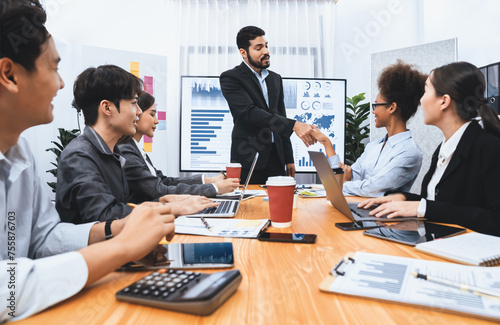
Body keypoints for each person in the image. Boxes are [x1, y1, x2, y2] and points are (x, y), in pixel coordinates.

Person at [0, 1, 178, 321]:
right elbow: (6, 291)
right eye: (54, 68)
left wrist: (118, 229)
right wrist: (121, 247)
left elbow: (44, 239)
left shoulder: (20, 152)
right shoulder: (79, 154)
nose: (61, 83)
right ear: (9, 75)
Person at [56, 65, 218, 224]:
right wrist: (170, 207)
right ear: (107, 107)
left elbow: (121, 206)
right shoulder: (80, 155)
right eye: (134, 103)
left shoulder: (113, 152)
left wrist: (162, 199)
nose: (139, 111)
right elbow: (105, 216)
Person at [360, 61, 500, 236]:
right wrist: (405, 198)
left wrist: (423, 207)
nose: (420, 100)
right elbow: (440, 204)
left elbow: (495, 221)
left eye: (425, 91)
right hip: (438, 247)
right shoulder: (443, 148)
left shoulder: (489, 149)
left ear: (444, 101)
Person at [311, 60, 426, 197]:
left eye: (376, 105)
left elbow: (372, 188)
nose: (373, 111)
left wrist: (343, 183)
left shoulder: (409, 152)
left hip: (382, 217)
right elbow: (346, 176)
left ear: (392, 107)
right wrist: (326, 142)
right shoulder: (373, 147)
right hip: (359, 209)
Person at [220, 26, 316, 184]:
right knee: (249, 205)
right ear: (243, 52)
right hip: (249, 157)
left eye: (266, 45)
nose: (266, 51)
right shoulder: (231, 78)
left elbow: (280, 116)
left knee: (279, 203)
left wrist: (288, 158)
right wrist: (294, 125)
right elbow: (250, 112)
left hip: (276, 158)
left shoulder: (275, 78)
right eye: (259, 48)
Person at [118, 91, 240, 203]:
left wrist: (209, 181)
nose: (157, 121)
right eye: (152, 114)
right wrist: (215, 188)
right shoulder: (127, 150)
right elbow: (160, 190)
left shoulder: (134, 148)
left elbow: (165, 181)